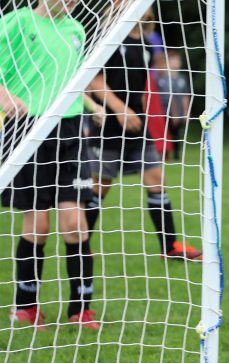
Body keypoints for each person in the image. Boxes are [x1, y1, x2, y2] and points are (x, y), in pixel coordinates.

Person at [1, 0, 98, 330]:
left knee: (75, 224)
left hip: (68, 131)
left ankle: (81, 309)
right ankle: (25, 307)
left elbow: (72, 80)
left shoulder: (76, 30)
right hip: (26, 128)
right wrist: (5, 96)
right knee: (38, 225)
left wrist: (92, 105)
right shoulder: (16, 22)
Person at [84, 7, 202, 262]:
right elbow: (95, 81)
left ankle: (170, 247)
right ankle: (82, 244)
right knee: (100, 186)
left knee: (157, 179)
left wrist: (136, 111)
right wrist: (119, 109)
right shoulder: (110, 37)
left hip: (138, 122)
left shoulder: (148, 43)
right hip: (109, 123)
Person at [152, 52, 191, 161]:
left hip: (176, 111)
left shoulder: (182, 78)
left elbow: (185, 96)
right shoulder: (159, 78)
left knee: (176, 133)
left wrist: (185, 112)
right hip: (163, 111)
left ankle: (175, 154)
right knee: (164, 132)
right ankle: (164, 153)